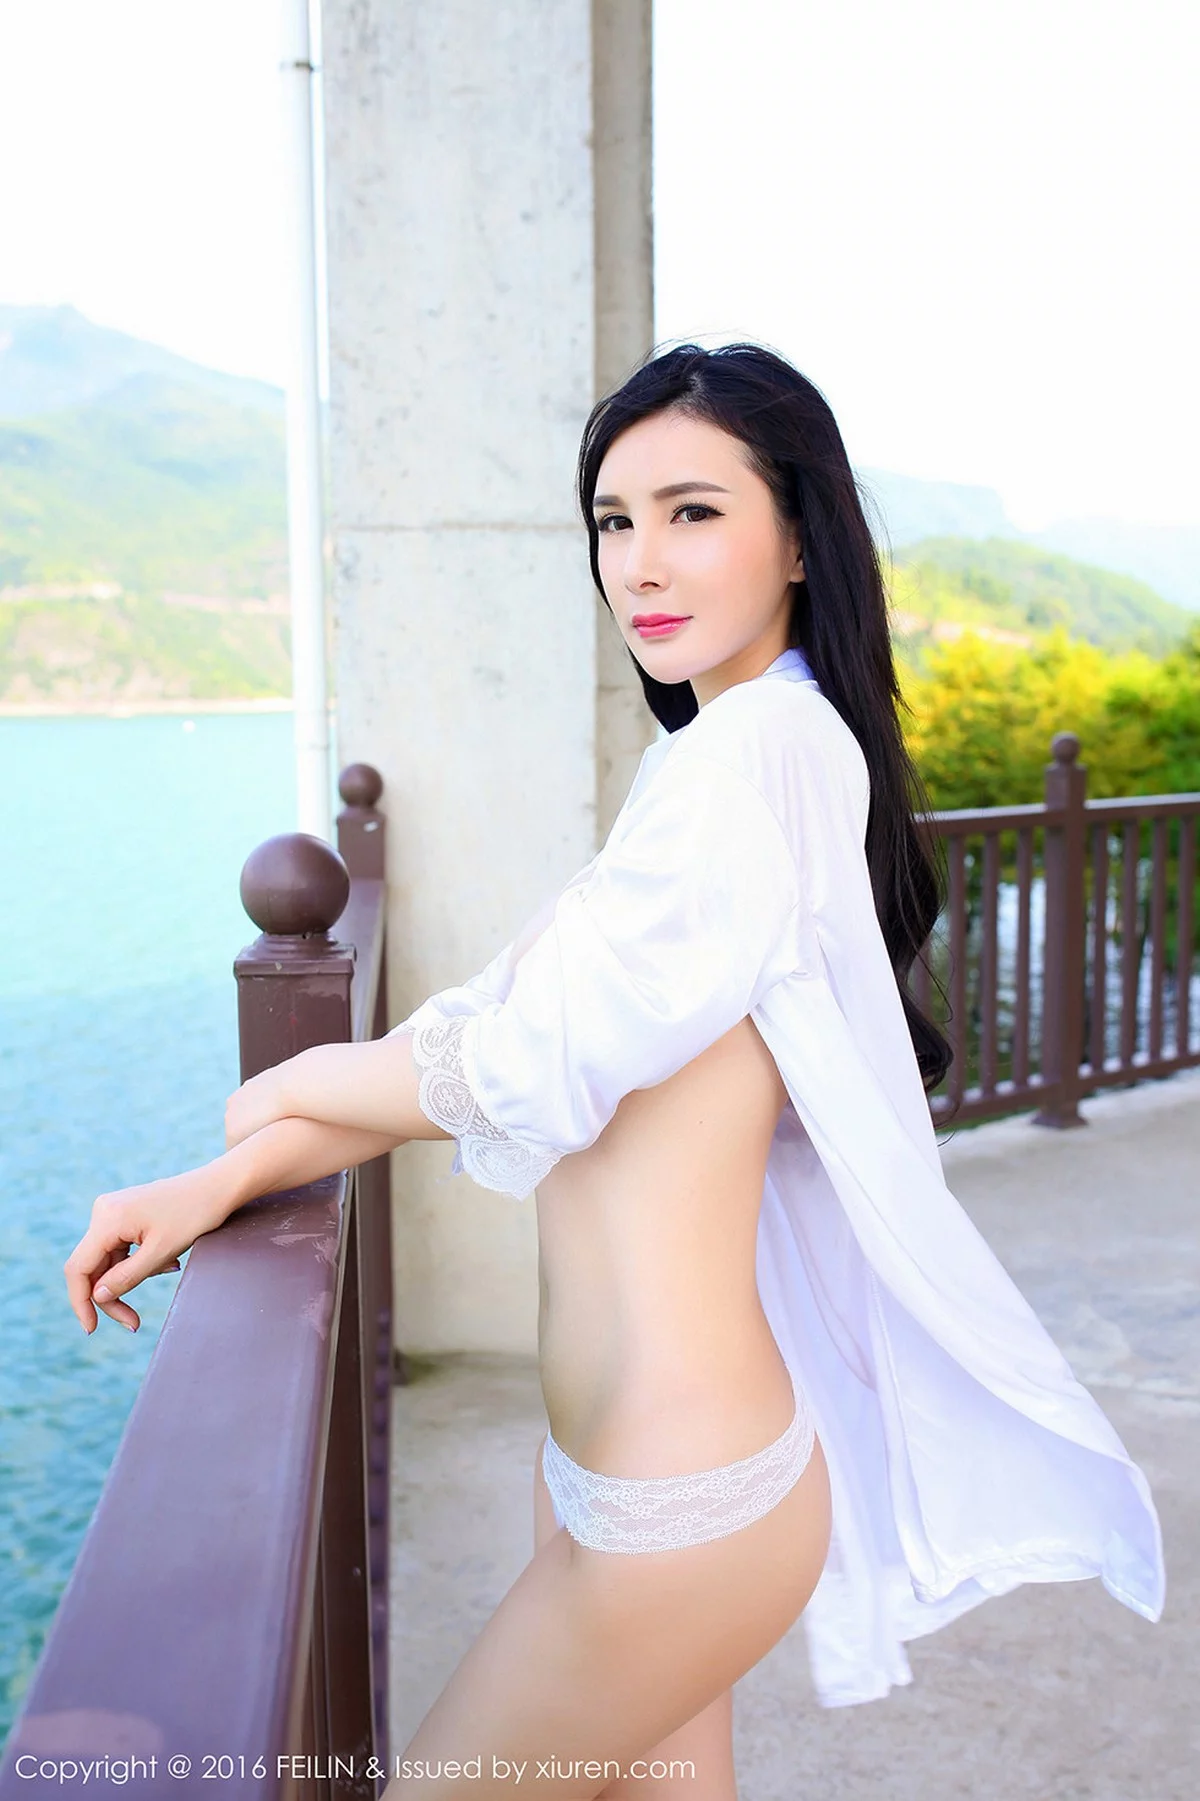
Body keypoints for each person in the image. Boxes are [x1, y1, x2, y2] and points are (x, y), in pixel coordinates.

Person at [64, 342, 1165, 1799]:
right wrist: (231, 1174)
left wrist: (286, 1087)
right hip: (617, 1474)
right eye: (613, 519)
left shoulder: (758, 762)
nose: (640, 560)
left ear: (799, 538)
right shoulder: (720, 757)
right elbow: (494, 1020)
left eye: (693, 512)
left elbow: (526, 1064)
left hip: (680, 1505)